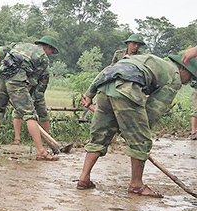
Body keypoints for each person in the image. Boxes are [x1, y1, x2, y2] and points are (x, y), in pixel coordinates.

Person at [76, 53, 197, 196]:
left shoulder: (148, 59)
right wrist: (135, 131)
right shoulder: (174, 77)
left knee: (99, 135)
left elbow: (109, 69)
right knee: (142, 140)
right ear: (184, 68)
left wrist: (90, 93)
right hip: (128, 88)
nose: (186, 82)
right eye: (190, 77)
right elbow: (154, 109)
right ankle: (136, 185)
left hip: (105, 87)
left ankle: (84, 178)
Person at [0, 36, 59, 161]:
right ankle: (41, 151)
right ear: (48, 47)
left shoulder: (18, 44)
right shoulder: (43, 58)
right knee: (29, 114)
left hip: (1, 76)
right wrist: (22, 97)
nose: (50, 54)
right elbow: (32, 81)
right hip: (17, 80)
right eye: (51, 51)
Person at [12, 71, 50, 144]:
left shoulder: (44, 67)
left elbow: (42, 82)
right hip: (25, 85)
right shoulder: (26, 64)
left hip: (38, 90)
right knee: (18, 111)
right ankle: (17, 138)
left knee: (42, 112)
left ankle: (47, 140)